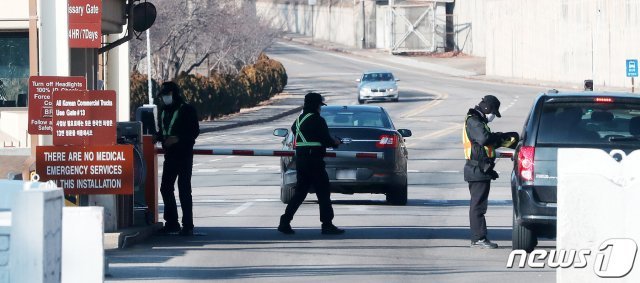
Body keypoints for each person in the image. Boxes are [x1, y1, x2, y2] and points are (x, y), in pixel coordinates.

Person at [278, 92, 344, 235]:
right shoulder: (318, 120)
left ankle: (285, 221)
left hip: (301, 160)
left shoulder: (298, 120)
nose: (321, 108)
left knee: (300, 193)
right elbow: (326, 140)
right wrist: (336, 142)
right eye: (320, 105)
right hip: (314, 160)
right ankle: (327, 224)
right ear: (316, 105)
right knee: (323, 192)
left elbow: (297, 132)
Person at [462, 95, 517, 248]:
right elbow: (484, 139)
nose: (493, 116)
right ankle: (479, 237)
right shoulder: (473, 120)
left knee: (479, 204)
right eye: (493, 112)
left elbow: (483, 148)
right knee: (478, 205)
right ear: (487, 109)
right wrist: (500, 138)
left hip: (480, 168)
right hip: (476, 169)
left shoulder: (478, 121)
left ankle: (478, 237)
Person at [156, 81, 200, 236]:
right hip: (170, 155)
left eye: (167, 95)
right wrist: (159, 137)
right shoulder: (163, 111)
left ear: (174, 94)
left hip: (184, 154)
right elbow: (162, 131)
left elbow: (194, 132)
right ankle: (172, 223)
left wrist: (177, 139)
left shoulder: (186, 109)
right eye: (163, 96)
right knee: (166, 188)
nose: (165, 98)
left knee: (184, 189)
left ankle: (188, 225)